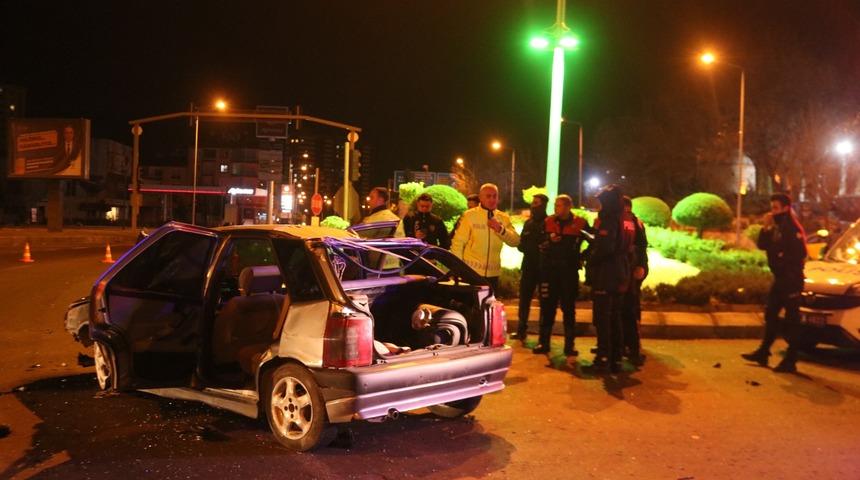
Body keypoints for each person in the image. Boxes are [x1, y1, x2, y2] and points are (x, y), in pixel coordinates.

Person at [741, 193, 807, 373]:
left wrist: (782, 260)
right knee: (770, 314)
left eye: (776, 208)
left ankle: (791, 360)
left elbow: (799, 253)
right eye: (772, 208)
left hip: (791, 280)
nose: (772, 212)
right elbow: (763, 245)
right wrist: (766, 227)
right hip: (780, 279)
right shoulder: (777, 226)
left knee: (792, 320)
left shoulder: (792, 227)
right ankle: (763, 351)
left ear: (786, 208)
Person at [587, 185, 635, 373]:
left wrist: (590, 257)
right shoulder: (627, 219)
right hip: (621, 271)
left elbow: (605, 247)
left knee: (603, 318)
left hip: (607, 273)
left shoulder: (609, 219)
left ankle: (603, 358)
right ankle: (615, 359)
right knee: (615, 317)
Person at [533, 195, 589, 356]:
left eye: (559, 206)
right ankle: (543, 343)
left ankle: (569, 346)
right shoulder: (548, 222)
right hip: (549, 273)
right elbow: (538, 241)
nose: (556, 209)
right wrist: (549, 241)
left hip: (569, 273)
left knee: (569, 309)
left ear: (568, 207)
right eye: (555, 205)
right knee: (547, 308)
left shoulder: (580, 223)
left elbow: (593, 240)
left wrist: (582, 256)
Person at [451, 183, 520, 291]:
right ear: (480, 198)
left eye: (495, 196)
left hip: (493, 275)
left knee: (489, 307)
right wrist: (459, 270)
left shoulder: (503, 218)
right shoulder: (469, 216)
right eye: (488, 196)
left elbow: (516, 241)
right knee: (470, 306)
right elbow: (458, 243)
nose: (492, 199)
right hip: (472, 272)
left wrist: (500, 229)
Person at [511, 193, 549, 342]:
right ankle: (521, 330)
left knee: (545, 302)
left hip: (544, 268)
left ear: (544, 205)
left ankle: (543, 334)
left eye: (536, 203)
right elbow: (521, 244)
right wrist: (531, 247)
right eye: (533, 203)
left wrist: (534, 247)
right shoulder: (528, 223)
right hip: (528, 266)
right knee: (524, 299)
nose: (533, 205)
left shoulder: (548, 222)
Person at [621, 196, 649, 366]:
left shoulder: (634, 222)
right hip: (625, 269)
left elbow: (642, 246)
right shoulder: (624, 221)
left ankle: (633, 345)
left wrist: (640, 266)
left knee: (631, 307)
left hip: (633, 269)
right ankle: (624, 343)